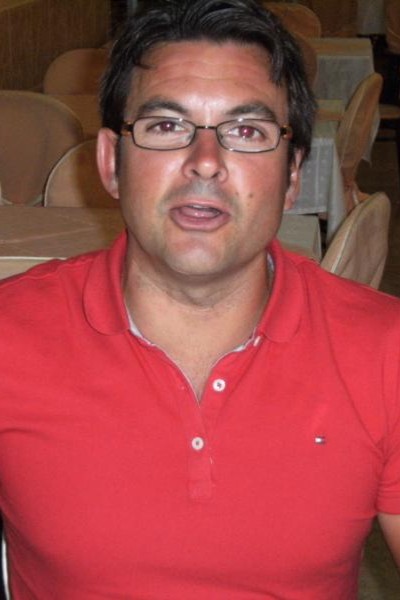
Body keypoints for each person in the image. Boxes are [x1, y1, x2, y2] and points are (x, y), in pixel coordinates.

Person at [0, 0, 399, 597]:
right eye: (166, 127)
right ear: (111, 163)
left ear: (293, 175)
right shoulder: (9, 335)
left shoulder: (385, 349)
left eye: (246, 132)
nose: (205, 163)